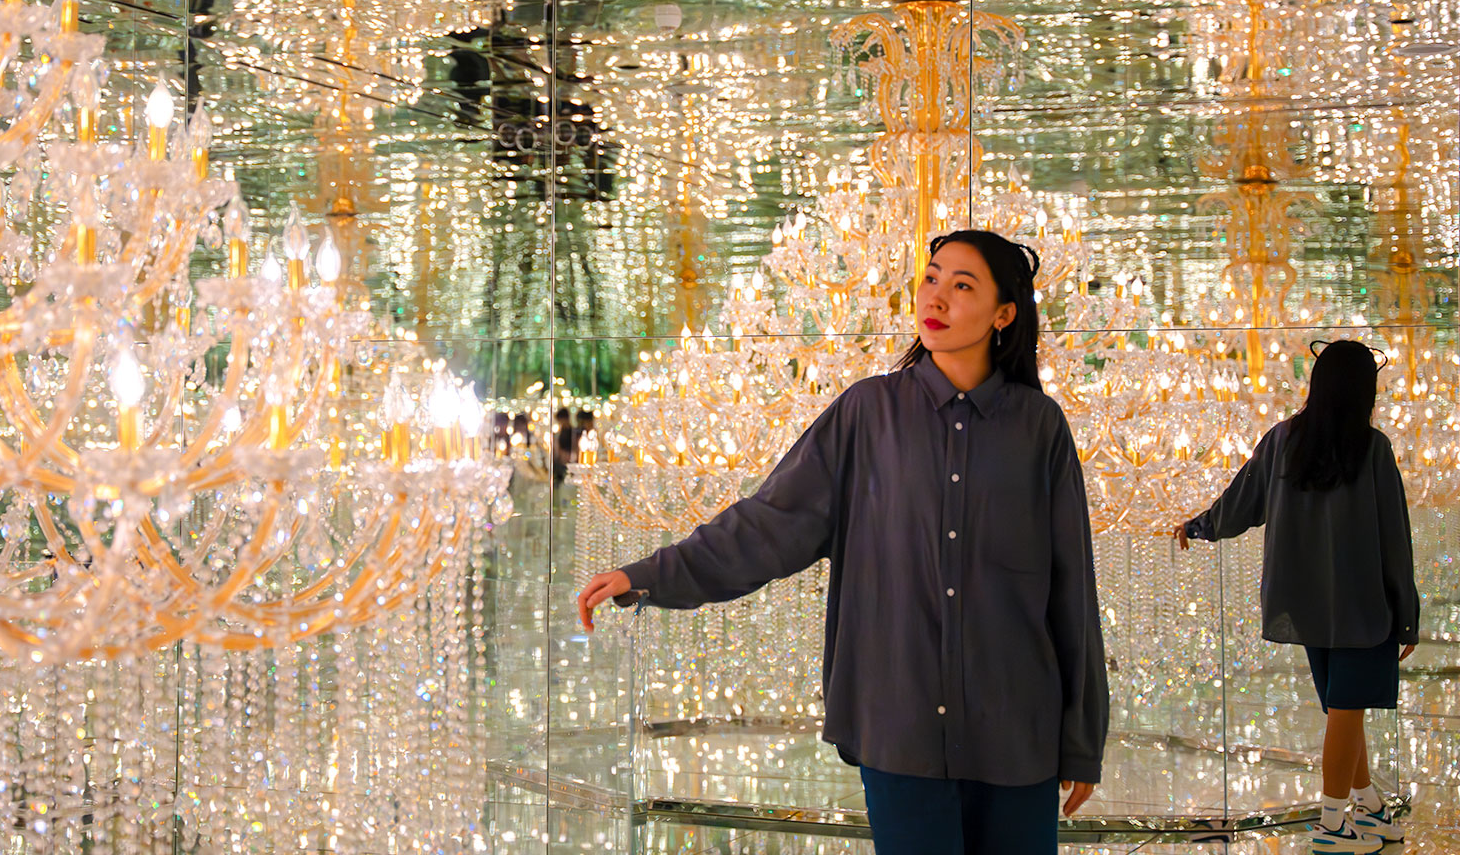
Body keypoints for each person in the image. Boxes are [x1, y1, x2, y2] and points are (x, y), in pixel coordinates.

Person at [577, 230, 1108, 855]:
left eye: (962, 286)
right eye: (931, 278)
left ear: (1004, 314)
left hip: (1019, 732)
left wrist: (1081, 739)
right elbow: (769, 524)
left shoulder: (1039, 427)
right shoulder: (867, 413)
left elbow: (1072, 589)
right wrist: (650, 574)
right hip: (899, 727)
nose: (935, 296)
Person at [1174, 339, 1418, 854]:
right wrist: (1408, 616)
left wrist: (1198, 526)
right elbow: (1395, 539)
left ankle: (1370, 809)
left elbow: (1241, 502)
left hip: (1303, 606)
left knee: (1343, 712)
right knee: (1347, 711)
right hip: (1361, 608)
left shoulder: (1283, 440)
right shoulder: (1372, 450)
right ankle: (1332, 828)